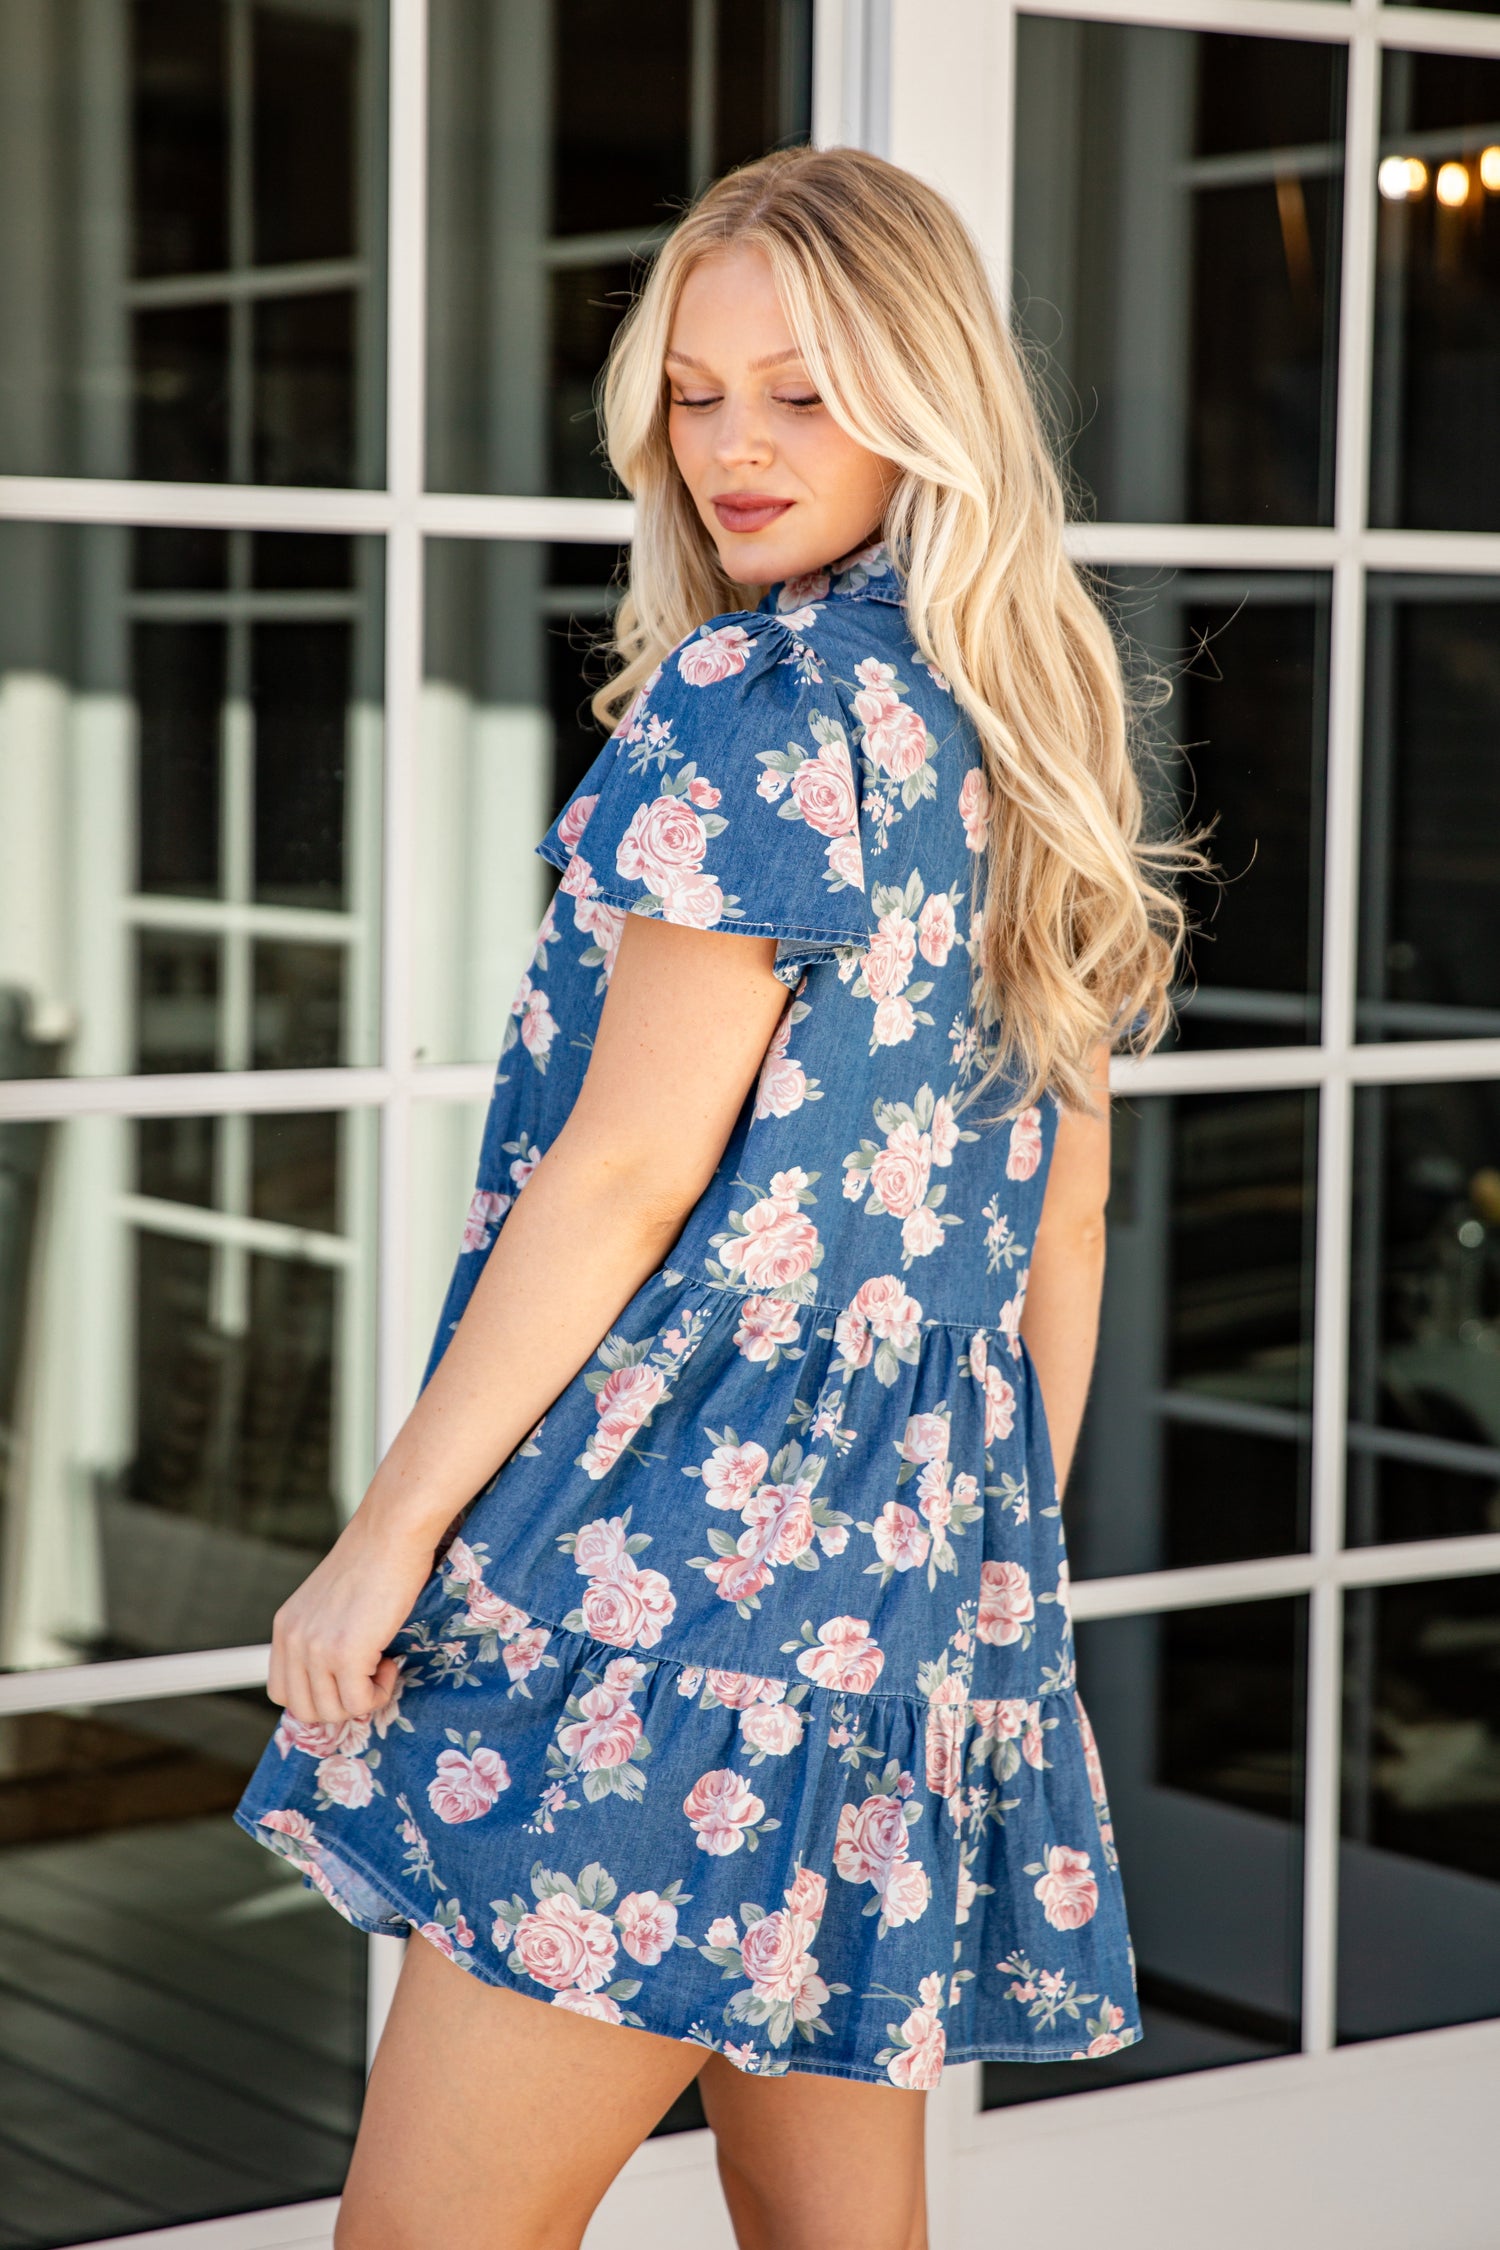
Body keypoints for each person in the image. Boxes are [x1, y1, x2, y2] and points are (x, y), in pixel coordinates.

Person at [233, 144, 1207, 2250]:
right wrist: (981, 1573)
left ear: (926, 397)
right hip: (911, 1576)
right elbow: (1073, 1212)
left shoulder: (758, 701)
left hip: (665, 1571)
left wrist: (379, 1541)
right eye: (696, 394)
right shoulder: (1026, 719)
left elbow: (627, 1168)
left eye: (804, 390)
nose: (738, 447)